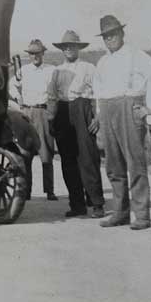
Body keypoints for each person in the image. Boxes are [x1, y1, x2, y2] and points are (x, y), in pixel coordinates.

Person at [92, 15, 151, 230]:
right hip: (107, 109)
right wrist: (99, 114)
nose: (110, 39)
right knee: (113, 166)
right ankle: (120, 212)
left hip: (129, 107)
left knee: (135, 163)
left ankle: (142, 215)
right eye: (106, 36)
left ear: (122, 33)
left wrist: (150, 109)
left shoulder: (137, 56)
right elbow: (98, 91)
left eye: (113, 34)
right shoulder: (103, 61)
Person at [47, 30, 105, 218]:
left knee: (88, 158)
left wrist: (97, 117)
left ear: (79, 48)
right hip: (63, 112)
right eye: (66, 47)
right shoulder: (57, 71)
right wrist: (51, 118)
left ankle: (97, 203)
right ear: (62, 50)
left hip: (83, 108)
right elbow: (52, 96)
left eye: (73, 46)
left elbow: (99, 94)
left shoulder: (89, 67)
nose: (69, 49)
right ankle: (77, 204)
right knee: (68, 160)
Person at [17, 39, 58, 201]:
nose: (35, 56)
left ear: (43, 53)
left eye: (38, 53)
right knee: (25, 152)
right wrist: (19, 100)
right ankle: (26, 191)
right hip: (27, 112)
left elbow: (55, 92)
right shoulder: (23, 70)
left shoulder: (51, 70)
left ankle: (50, 190)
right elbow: (13, 86)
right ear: (29, 55)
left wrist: (51, 112)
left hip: (42, 111)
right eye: (32, 53)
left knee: (46, 152)